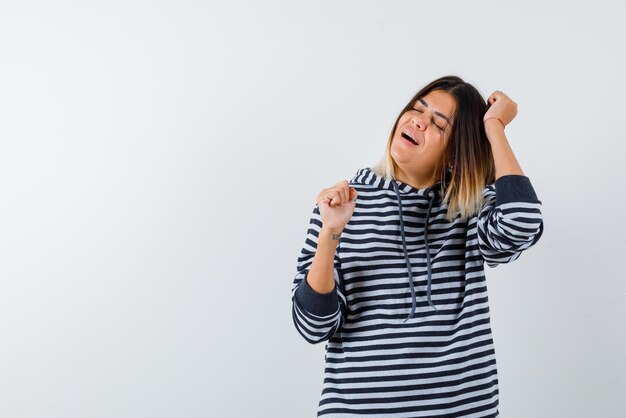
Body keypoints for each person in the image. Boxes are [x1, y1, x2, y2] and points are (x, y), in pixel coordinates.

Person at [290, 75, 544, 417]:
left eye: (438, 123)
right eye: (416, 108)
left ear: (456, 151)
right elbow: (312, 325)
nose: (417, 121)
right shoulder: (343, 202)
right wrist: (330, 234)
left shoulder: (469, 206)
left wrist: (495, 127)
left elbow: (522, 220)